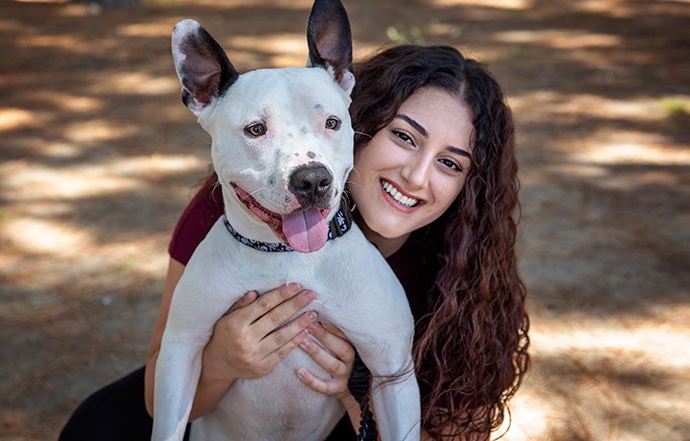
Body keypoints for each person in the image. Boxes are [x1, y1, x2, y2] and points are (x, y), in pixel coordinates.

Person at [59, 43, 529, 441]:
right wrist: (223, 359)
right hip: (207, 417)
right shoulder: (226, 211)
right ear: (362, 122)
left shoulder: (468, 270)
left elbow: (449, 424)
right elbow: (166, 371)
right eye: (404, 137)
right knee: (98, 424)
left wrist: (355, 388)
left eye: (451, 163)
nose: (416, 175)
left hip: (347, 430)